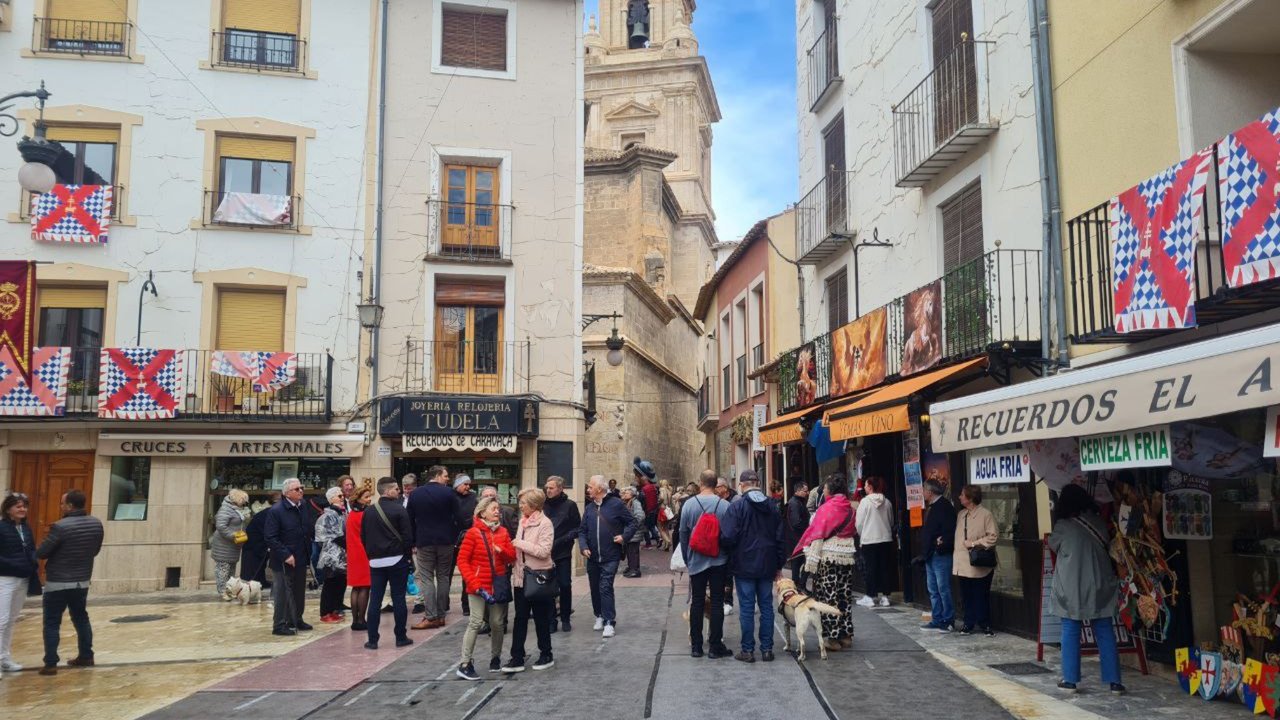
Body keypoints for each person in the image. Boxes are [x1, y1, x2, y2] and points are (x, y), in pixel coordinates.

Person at [1049, 484, 1124, 694]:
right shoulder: (1099, 522)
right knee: (1105, 631)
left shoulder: (1063, 526)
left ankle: (1071, 679)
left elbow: (1054, 546)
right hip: (1100, 584)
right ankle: (1114, 681)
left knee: (1070, 630)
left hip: (1071, 586)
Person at [35, 489, 103, 675]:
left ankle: (50, 663)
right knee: (81, 618)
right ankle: (86, 655)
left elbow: (42, 553)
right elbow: (95, 550)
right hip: (81, 581)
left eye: (62, 503)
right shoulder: (96, 524)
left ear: (70, 506)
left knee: (51, 622)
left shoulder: (60, 526)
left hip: (58, 582)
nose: (60, 506)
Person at [720, 470, 785, 663]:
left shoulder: (737, 506)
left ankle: (747, 650)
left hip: (744, 564)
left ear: (742, 485)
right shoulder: (772, 506)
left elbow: (727, 537)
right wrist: (779, 564)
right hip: (767, 563)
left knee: (747, 607)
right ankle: (767, 649)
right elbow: (781, 538)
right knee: (766, 606)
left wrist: (731, 554)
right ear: (758, 483)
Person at [792, 473, 857, 653]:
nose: (824, 491)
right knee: (844, 594)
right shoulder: (851, 508)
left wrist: (802, 547)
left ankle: (833, 638)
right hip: (847, 555)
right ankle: (846, 635)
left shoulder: (827, 508)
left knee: (829, 595)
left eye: (826, 488)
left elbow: (816, 532)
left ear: (830, 490)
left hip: (828, 556)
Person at [456, 497, 516, 680]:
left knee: (498, 623)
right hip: (478, 586)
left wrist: (503, 551)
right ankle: (465, 663)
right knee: (475, 622)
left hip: (497, 584)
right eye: (493, 508)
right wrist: (474, 584)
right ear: (482, 512)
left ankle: (495, 657)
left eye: (498, 508)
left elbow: (511, 558)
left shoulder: (503, 532)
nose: (497, 511)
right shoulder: (473, 533)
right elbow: (462, 561)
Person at [502, 488, 556, 672]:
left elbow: (544, 551)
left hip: (538, 577)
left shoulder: (545, 524)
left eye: (523, 502)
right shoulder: (523, 522)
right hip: (520, 577)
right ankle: (517, 656)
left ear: (533, 505)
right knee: (520, 618)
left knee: (541, 617)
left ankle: (546, 654)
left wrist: (519, 543)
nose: (520, 505)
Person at [679, 470, 732, 659]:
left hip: (696, 559)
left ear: (701, 483)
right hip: (718, 560)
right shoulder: (725, 505)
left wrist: (687, 557)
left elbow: (683, 534)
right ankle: (716, 646)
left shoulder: (689, 505)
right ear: (715, 483)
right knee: (717, 602)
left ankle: (696, 647)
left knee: (697, 602)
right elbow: (729, 535)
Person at [577, 475, 637, 638]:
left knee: (605, 586)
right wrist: (583, 546)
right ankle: (599, 615)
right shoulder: (589, 508)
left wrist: (624, 537)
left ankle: (609, 621)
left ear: (599, 489)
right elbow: (582, 531)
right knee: (595, 588)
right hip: (592, 556)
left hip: (611, 555)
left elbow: (632, 522)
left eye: (590, 487)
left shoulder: (616, 504)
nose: (588, 489)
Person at [361, 477, 414, 650]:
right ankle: (400, 636)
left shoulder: (368, 511)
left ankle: (372, 640)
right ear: (388, 491)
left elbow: (363, 536)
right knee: (398, 598)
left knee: (375, 600)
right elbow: (408, 537)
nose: (399, 491)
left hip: (375, 561)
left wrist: (371, 555)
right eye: (396, 489)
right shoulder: (399, 510)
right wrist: (407, 557)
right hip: (397, 559)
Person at [408, 465, 459, 630]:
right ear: (436, 475)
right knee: (443, 577)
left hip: (424, 541)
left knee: (427, 578)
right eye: (445, 475)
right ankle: (441, 615)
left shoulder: (415, 494)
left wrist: (413, 541)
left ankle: (431, 616)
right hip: (446, 541)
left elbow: (409, 519)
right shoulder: (449, 492)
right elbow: (457, 517)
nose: (447, 479)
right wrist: (453, 536)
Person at [265, 478, 314, 637]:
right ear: (287, 493)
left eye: (301, 488)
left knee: (299, 590)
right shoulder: (276, 510)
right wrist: (285, 554)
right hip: (284, 559)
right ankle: (279, 624)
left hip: (301, 555)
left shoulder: (303, 506)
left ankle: (296, 619)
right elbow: (271, 537)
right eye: (296, 489)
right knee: (282, 592)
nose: (301, 491)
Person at [0, 493, 37, 675]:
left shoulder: (26, 528)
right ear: (8, 509)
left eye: (24, 506)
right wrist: (15, 564)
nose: (22, 509)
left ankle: (5, 658)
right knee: (1, 620)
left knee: (11, 620)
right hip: (5, 578)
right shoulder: (1, 527)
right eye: (18, 506)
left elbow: (31, 549)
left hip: (22, 579)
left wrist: (32, 563)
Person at [953, 485, 997, 636]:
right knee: (966, 595)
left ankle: (985, 624)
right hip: (962, 562)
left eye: (962, 495)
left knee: (981, 594)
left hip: (979, 563)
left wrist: (973, 543)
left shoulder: (986, 514)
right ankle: (968, 623)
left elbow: (993, 536)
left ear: (970, 499)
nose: (959, 497)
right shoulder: (961, 514)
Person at [542, 476, 580, 632]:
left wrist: (564, 540)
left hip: (563, 552)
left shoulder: (570, 505)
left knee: (565, 584)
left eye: (551, 488)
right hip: (545, 553)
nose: (548, 490)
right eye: (547, 488)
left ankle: (565, 618)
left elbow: (577, 528)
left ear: (560, 488)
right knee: (549, 587)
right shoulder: (542, 505)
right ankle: (551, 620)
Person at [919, 479, 957, 632]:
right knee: (933, 589)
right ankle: (937, 618)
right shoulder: (932, 507)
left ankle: (948, 620)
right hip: (930, 554)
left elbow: (950, 530)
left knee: (943, 588)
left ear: (931, 491)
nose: (923, 492)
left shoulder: (945, 506)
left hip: (940, 554)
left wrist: (941, 542)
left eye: (924, 489)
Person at [855, 476, 895, 608]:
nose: (865, 487)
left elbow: (859, 523)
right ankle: (885, 597)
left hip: (869, 539)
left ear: (870, 487)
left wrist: (862, 534)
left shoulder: (865, 502)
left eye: (866, 485)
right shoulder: (887, 502)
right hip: (885, 539)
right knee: (885, 568)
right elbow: (891, 521)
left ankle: (870, 596)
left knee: (870, 568)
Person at [315, 487, 348, 623]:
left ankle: (334, 609)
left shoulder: (341, 513)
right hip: (331, 555)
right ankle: (325, 612)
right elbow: (335, 536)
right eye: (339, 496)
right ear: (331, 499)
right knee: (330, 583)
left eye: (342, 496)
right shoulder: (328, 515)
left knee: (340, 583)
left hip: (342, 555)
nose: (342, 499)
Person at [210, 489, 250, 598]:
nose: (245, 502)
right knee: (223, 569)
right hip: (223, 546)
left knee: (231, 570)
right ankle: (223, 591)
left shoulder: (237, 509)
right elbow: (221, 527)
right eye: (244, 500)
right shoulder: (226, 509)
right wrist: (234, 535)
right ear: (238, 499)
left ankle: (230, 590)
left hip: (233, 545)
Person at [345, 486, 374, 632]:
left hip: (353, 554)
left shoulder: (350, 515)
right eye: (366, 497)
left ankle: (355, 620)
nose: (369, 499)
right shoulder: (365, 515)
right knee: (365, 587)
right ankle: (362, 619)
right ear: (359, 499)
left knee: (356, 587)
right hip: (364, 552)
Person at [240, 491, 278, 588]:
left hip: (257, 541)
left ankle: (260, 582)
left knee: (260, 564)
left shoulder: (269, 511)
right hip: (255, 542)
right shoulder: (272, 512)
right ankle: (253, 586)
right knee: (254, 566)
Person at [453, 474, 477, 617]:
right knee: (446, 574)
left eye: (469, 484)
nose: (468, 487)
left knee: (466, 573)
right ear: (457, 485)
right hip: (451, 539)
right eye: (465, 484)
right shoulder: (450, 496)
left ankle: (466, 604)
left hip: (467, 539)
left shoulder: (473, 498)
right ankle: (443, 605)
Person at [784, 482, 811, 586]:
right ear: (798, 491)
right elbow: (796, 523)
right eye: (805, 491)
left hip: (798, 539)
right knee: (800, 563)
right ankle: (799, 585)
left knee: (800, 563)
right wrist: (809, 528)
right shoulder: (795, 503)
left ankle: (799, 585)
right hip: (797, 540)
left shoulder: (798, 502)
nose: (807, 493)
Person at [635, 458, 660, 548]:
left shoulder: (644, 489)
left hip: (648, 510)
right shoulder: (653, 487)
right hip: (654, 509)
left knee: (646, 527)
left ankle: (649, 543)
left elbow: (642, 499)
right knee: (651, 526)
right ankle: (657, 539)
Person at [621, 486, 645, 578]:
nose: (625, 494)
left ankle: (634, 570)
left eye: (627, 493)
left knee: (633, 551)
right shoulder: (629, 502)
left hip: (634, 532)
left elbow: (640, 516)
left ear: (632, 494)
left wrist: (633, 526)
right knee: (630, 551)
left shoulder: (635, 503)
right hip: (631, 532)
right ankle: (632, 567)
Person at [656, 479, 674, 552]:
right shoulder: (669, 490)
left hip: (662, 509)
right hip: (668, 510)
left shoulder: (661, 489)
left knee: (660, 527)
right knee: (666, 528)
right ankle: (666, 545)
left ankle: (668, 541)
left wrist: (658, 501)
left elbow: (662, 498)